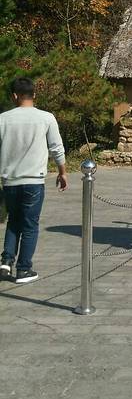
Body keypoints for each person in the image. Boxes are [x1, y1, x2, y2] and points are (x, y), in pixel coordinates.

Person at [0, 77, 67, 284]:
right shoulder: (46, 118)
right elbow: (56, 148)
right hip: (34, 181)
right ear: (34, 95)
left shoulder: (3, 119)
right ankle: (24, 269)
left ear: (14, 96)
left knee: (13, 221)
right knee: (30, 225)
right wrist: (62, 172)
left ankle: (6, 262)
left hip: (9, 181)